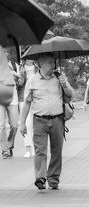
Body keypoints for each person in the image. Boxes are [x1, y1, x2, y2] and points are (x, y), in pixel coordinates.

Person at [18, 53, 74, 191]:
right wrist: (22, 123)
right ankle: (40, 178)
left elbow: (70, 95)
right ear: (40, 64)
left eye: (53, 62)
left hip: (57, 120)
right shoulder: (32, 81)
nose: (53, 65)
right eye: (49, 62)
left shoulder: (59, 77)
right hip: (39, 120)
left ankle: (53, 179)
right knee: (40, 151)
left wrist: (64, 84)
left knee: (57, 151)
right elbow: (27, 103)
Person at [0, 52, 23, 159]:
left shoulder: (15, 66)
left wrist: (17, 77)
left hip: (13, 98)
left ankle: (9, 145)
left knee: (14, 125)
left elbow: (21, 83)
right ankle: (5, 150)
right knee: (1, 126)